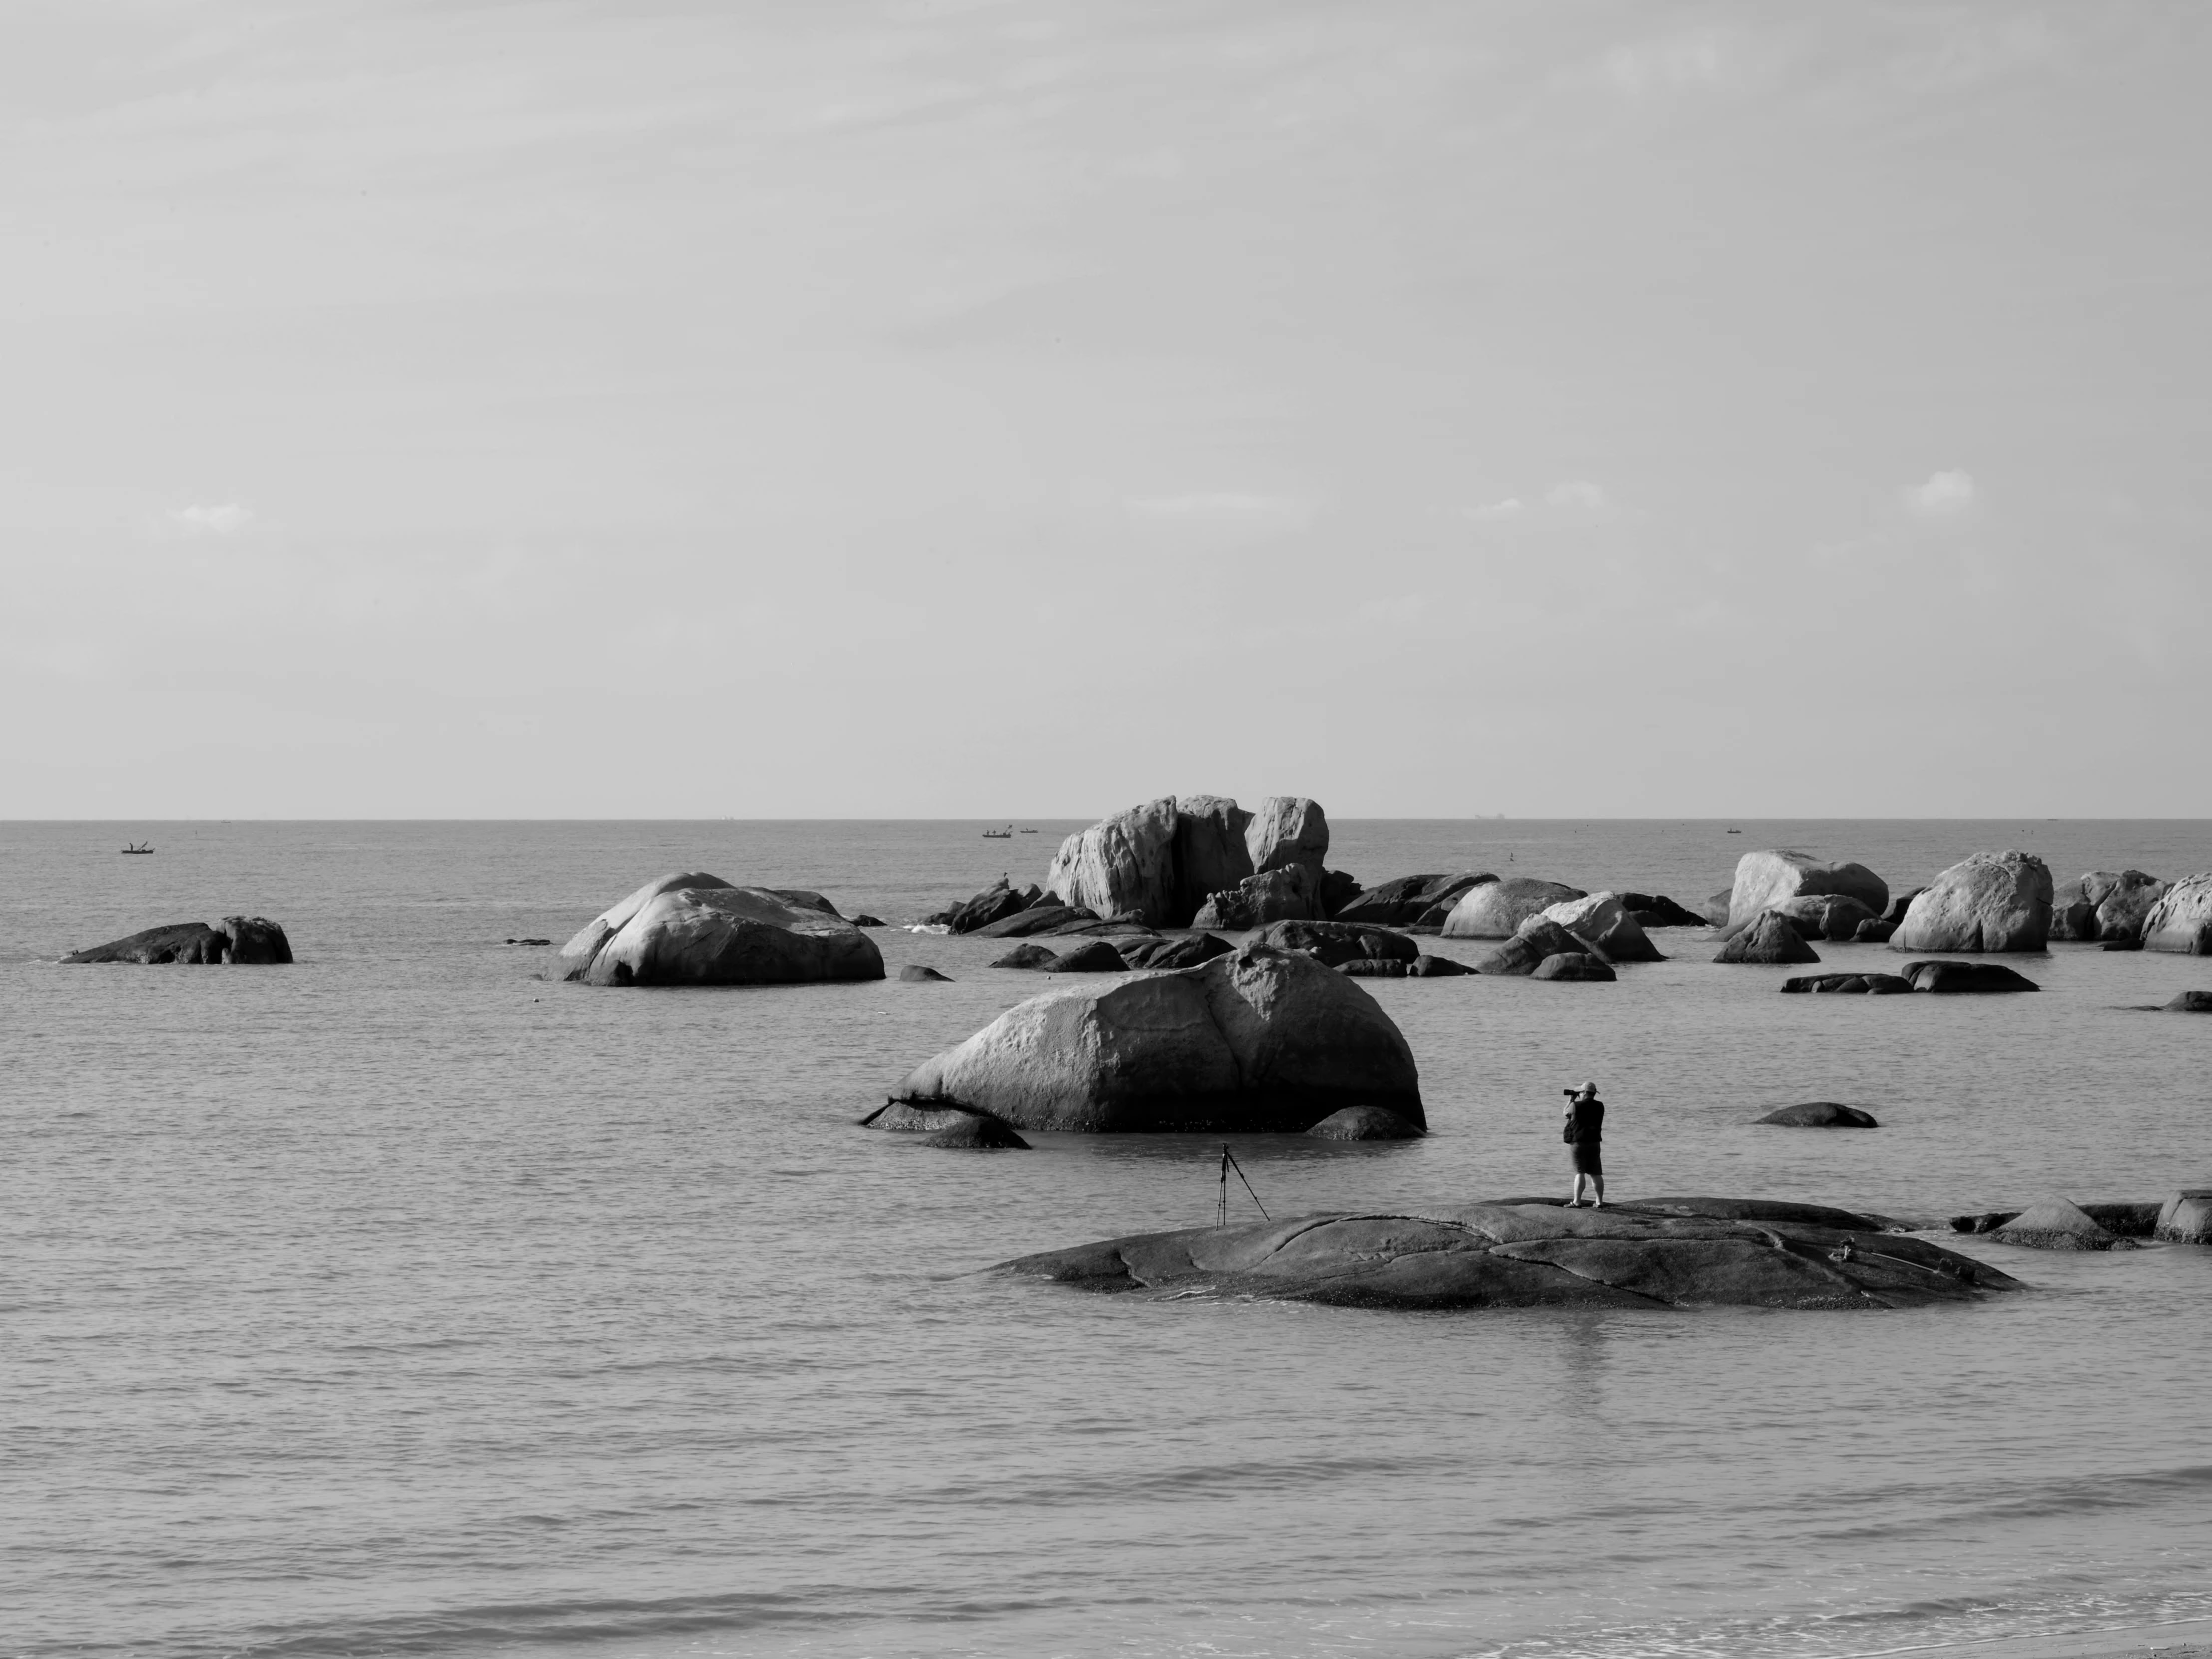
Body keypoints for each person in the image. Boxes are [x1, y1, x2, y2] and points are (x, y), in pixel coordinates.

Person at [1562, 1081, 1605, 1207]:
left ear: (1584, 1093)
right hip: (1595, 1142)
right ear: (1593, 1093)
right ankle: (1599, 1201)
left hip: (1579, 1143)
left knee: (1580, 1172)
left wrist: (1571, 1099)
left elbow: (1565, 1113)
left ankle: (1577, 1201)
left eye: (1580, 1092)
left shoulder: (1575, 1105)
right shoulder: (1600, 1106)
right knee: (1596, 1173)